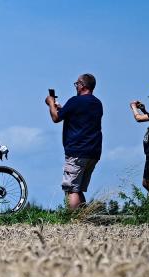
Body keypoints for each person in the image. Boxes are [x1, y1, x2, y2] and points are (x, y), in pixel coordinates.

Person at [46, 73, 103, 210]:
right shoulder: (97, 103)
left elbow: (56, 118)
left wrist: (50, 104)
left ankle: (73, 222)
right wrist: (62, 108)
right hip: (93, 152)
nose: (76, 86)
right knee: (79, 189)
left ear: (82, 85)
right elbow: (79, 116)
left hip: (77, 151)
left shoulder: (75, 101)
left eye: (77, 84)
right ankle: (84, 219)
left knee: (71, 189)